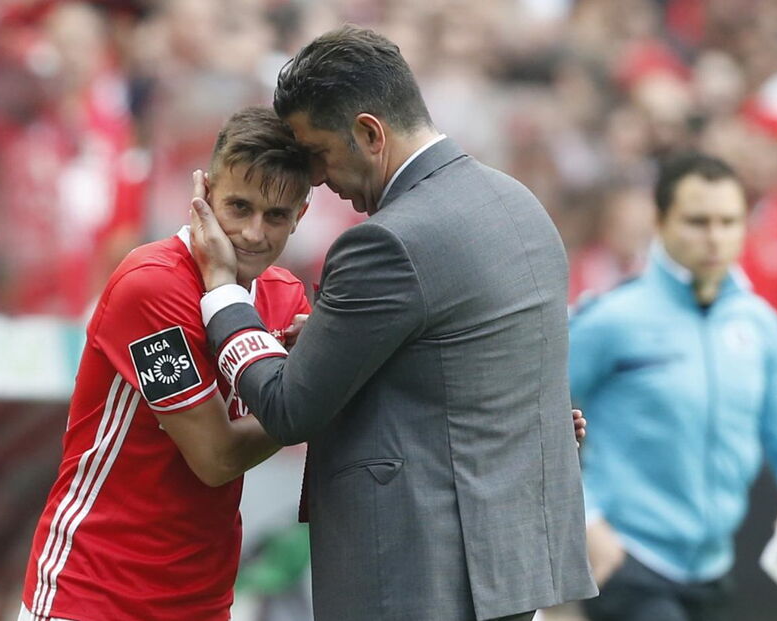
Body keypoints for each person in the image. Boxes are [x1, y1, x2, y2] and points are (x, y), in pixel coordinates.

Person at [189, 25, 597, 621]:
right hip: (507, 569)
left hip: (415, 575)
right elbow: (469, 368)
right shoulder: (520, 204)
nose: (320, 178)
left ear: (369, 133)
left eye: (319, 154)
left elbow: (286, 408)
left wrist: (224, 294)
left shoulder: (388, 241)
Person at [19, 105, 312, 621]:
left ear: (301, 215)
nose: (252, 233)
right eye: (238, 207)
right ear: (202, 194)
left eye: (277, 215)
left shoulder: (286, 297)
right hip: (93, 592)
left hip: (201, 601)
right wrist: (313, 389)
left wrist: (312, 379)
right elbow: (215, 458)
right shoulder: (152, 284)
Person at [568, 152, 777, 621]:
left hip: (717, 566)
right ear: (660, 219)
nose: (715, 237)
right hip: (629, 563)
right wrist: (584, 520)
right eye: (697, 221)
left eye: (729, 221)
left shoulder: (759, 325)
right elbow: (526, 422)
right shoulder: (611, 320)